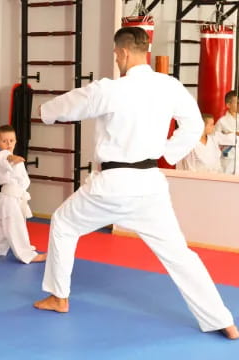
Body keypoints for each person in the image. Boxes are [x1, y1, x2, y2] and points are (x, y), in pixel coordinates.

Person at [33, 27, 238, 340]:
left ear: (124, 52)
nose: (116, 59)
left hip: (111, 185)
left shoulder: (110, 89)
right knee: (180, 255)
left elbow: (69, 104)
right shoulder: (169, 85)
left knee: (62, 222)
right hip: (150, 186)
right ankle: (222, 319)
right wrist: (167, 153)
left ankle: (59, 297)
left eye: (116, 54)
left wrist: (44, 111)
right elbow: (195, 124)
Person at [0, 125, 46, 263]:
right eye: (4, 141)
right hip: (9, 198)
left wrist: (14, 159)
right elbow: (7, 158)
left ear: (16, 141)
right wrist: (12, 158)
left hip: (11, 198)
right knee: (16, 226)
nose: (8, 144)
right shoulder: (3, 155)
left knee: (4, 224)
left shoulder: (10, 156)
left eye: (11, 140)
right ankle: (28, 254)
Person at [215, 90, 239, 174]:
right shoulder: (222, 121)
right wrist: (231, 135)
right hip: (228, 158)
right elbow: (215, 140)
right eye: (237, 102)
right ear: (228, 105)